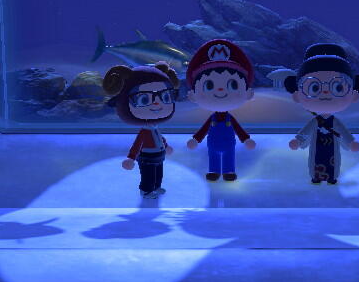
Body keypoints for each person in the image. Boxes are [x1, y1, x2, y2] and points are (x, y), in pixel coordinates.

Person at [284, 43, 359, 184]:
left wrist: (350, 142)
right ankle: (316, 176)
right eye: (314, 87)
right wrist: (298, 140)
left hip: (331, 147)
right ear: (298, 95)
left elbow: (343, 132)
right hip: (317, 146)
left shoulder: (333, 122)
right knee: (315, 158)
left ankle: (331, 177)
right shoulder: (316, 121)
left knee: (333, 160)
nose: (325, 92)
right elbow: (306, 131)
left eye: (338, 87)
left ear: (353, 94)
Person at [184, 39, 257, 181]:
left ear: (248, 93)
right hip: (213, 143)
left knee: (229, 156)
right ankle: (214, 171)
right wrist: (196, 139)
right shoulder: (212, 119)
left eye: (233, 84)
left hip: (228, 144)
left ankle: (229, 171)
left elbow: (239, 130)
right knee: (213, 157)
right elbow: (203, 130)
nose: (220, 90)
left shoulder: (230, 118)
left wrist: (246, 139)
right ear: (193, 95)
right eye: (209, 85)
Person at [103, 62, 178, 198]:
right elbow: (137, 145)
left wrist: (166, 146)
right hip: (147, 156)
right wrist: (131, 158)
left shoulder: (154, 127)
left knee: (158, 173)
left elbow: (159, 138)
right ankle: (146, 190)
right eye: (144, 99)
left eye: (165, 96)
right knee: (148, 174)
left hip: (159, 155)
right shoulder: (144, 131)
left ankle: (156, 187)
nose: (157, 103)